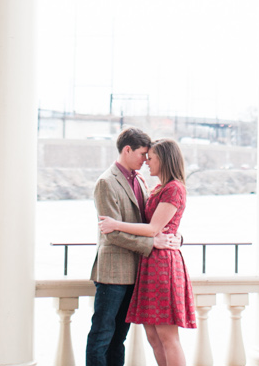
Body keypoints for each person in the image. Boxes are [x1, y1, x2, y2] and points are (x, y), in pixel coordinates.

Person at [87, 128, 181, 366]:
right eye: (142, 154)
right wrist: (152, 242)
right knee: (101, 335)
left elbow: (158, 221)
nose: (146, 160)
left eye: (149, 156)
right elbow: (112, 234)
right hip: (113, 272)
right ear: (127, 150)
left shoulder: (139, 179)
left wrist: (176, 238)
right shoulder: (106, 182)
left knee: (119, 338)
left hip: (138, 272)